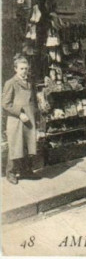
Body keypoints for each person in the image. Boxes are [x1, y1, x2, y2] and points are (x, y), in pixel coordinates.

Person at [2, 55, 39, 184]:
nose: (24, 71)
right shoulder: (10, 83)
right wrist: (19, 114)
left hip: (29, 118)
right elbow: (5, 104)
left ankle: (26, 171)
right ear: (15, 69)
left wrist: (35, 114)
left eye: (26, 68)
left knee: (28, 146)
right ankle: (10, 173)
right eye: (22, 68)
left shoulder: (29, 82)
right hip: (16, 120)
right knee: (15, 147)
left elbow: (32, 100)